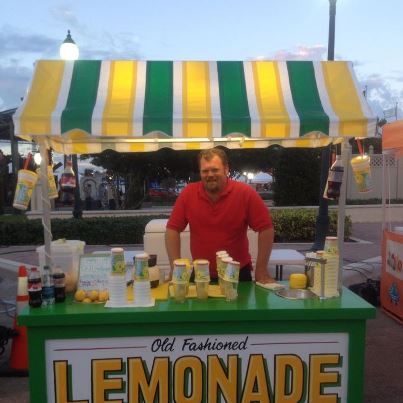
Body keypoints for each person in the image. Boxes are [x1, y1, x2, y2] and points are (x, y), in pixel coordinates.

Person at [165, 147, 275, 283]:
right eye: (205, 171)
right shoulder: (188, 194)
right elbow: (172, 230)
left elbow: (266, 229)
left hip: (238, 274)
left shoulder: (245, 193)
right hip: (201, 274)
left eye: (215, 170)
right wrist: (175, 268)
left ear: (226, 169)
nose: (210, 174)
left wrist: (261, 270)